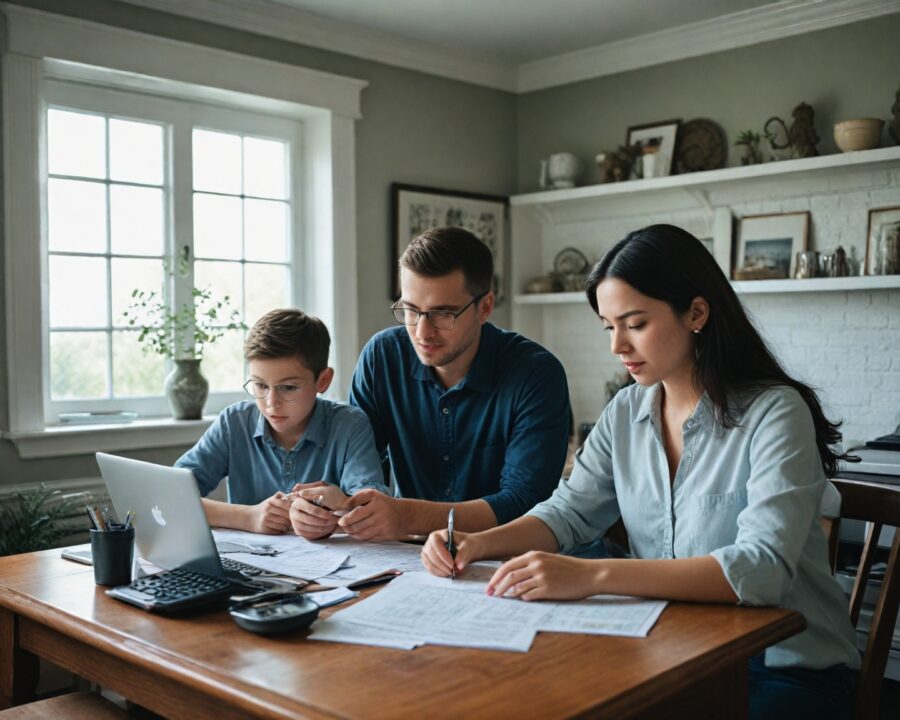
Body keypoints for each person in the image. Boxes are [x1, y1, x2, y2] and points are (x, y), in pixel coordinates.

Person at [421, 224, 860, 720]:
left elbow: (761, 568)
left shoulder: (775, 412)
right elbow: (569, 513)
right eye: (609, 326)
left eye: (634, 323)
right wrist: (482, 542)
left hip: (788, 668)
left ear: (696, 313)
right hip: (672, 652)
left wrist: (593, 575)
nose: (617, 346)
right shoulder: (626, 411)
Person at [289, 226, 571, 542]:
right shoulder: (382, 357)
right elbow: (355, 466)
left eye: (443, 313)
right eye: (410, 310)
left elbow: (523, 504)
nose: (422, 332)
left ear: (485, 307)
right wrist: (323, 508)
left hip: (504, 557)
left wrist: (404, 515)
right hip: (407, 553)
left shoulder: (536, 374)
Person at [175, 308, 385, 536]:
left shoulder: (350, 425)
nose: (271, 403)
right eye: (260, 385)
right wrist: (248, 517)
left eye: (288, 387)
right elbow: (172, 495)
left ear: (323, 380)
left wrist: (341, 507)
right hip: (247, 564)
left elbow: (375, 509)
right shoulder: (233, 423)